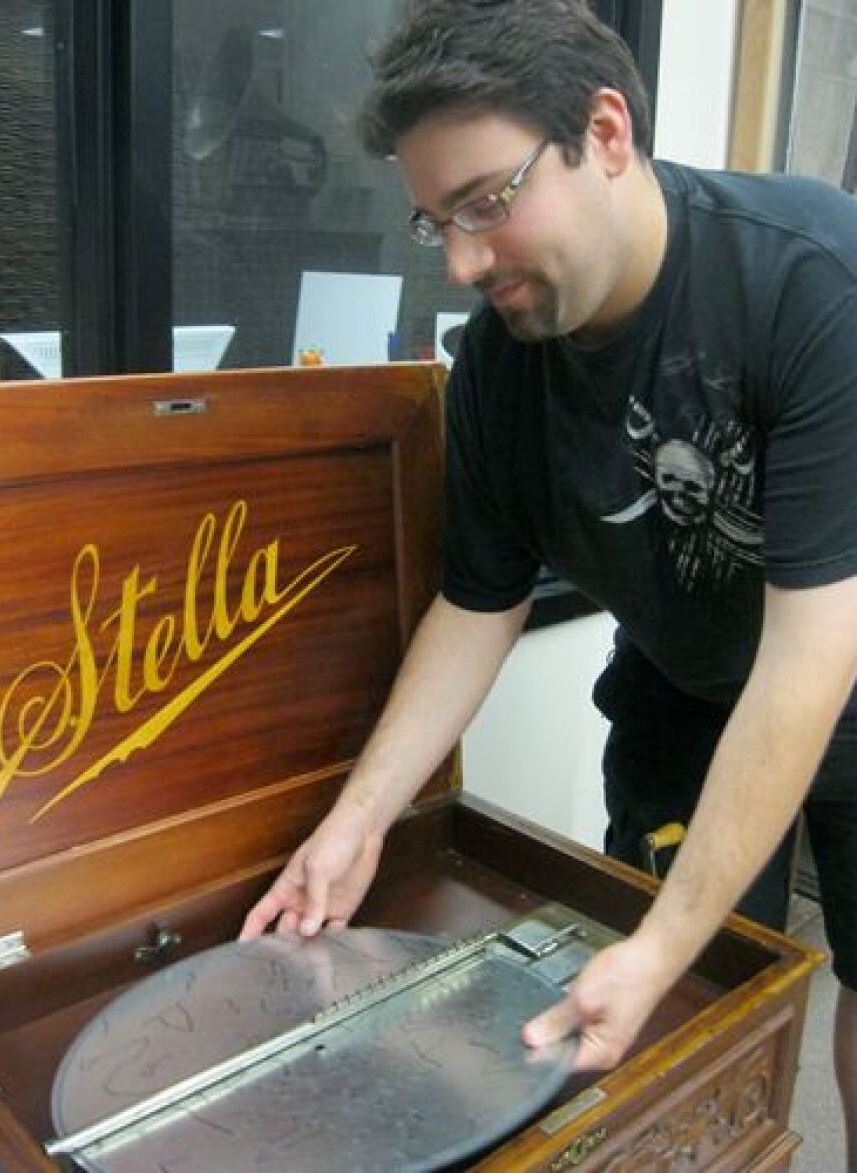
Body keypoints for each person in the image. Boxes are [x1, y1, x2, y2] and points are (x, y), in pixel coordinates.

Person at [241, 0, 857, 1161]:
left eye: (487, 201)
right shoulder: (497, 367)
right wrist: (358, 818)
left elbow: (811, 656)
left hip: (837, 663)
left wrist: (669, 937)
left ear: (606, 132)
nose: (467, 261)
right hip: (681, 688)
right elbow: (479, 600)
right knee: (666, 1006)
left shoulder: (809, 279)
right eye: (437, 225)